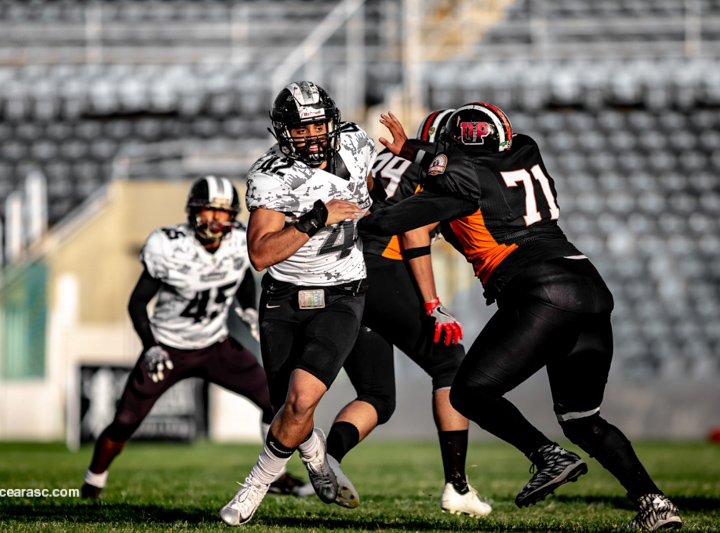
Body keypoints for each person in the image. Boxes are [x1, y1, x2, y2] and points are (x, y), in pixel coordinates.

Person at [359, 103, 682, 531]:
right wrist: (420, 157)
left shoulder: (458, 183)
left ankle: (546, 455)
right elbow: (458, 170)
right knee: (583, 419)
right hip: (588, 284)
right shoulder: (525, 148)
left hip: (539, 289)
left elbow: (405, 214)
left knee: (468, 392)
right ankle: (654, 503)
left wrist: (363, 212)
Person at [81, 176, 309, 500]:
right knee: (125, 421)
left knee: (275, 400)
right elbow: (136, 303)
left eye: (223, 212)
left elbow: (241, 272)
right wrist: (151, 347)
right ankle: (93, 483)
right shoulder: (169, 245)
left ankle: (276, 476)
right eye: (209, 211)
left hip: (216, 344)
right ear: (193, 212)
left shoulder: (240, 241)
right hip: (168, 348)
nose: (216, 220)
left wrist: (246, 308)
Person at [218, 81, 374, 526]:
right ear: (283, 132)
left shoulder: (358, 143)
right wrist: (317, 216)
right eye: (300, 129)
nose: (311, 135)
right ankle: (317, 458)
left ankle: (253, 489)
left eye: (317, 125)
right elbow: (261, 254)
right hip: (286, 296)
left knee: (302, 400)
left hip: (343, 290)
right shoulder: (272, 174)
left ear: (332, 120)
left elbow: (382, 184)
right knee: (286, 408)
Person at [322, 109, 491, 516]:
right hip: (382, 268)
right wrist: (432, 303)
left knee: (377, 395)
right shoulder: (434, 168)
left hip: (340, 271)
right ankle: (457, 485)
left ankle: (326, 463)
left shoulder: (383, 159)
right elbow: (414, 229)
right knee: (451, 364)